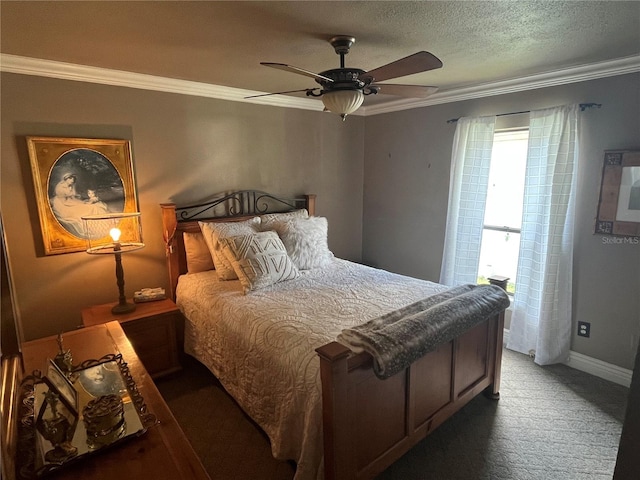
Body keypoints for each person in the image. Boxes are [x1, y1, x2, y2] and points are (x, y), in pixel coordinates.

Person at [49, 173, 109, 237]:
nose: (72, 181)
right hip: (62, 203)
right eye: (71, 179)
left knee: (90, 206)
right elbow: (63, 198)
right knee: (82, 209)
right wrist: (73, 199)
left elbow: (72, 195)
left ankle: (99, 226)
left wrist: (76, 197)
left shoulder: (71, 186)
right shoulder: (60, 186)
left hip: (70, 201)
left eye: (73, 179)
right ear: (66, 179)